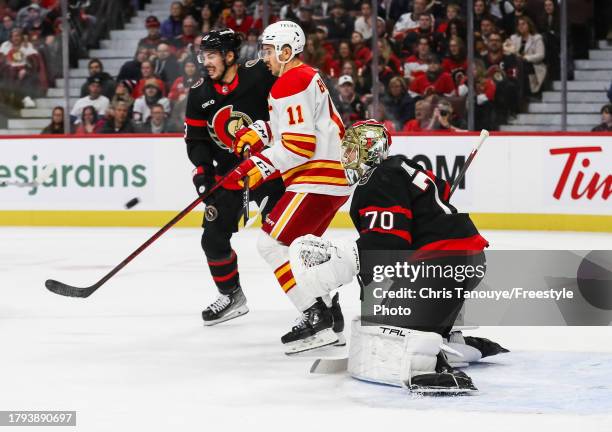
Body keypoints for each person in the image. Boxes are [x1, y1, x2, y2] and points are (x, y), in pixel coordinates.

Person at [287, 120, 502, 393]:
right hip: (462, 259)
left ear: (370, 150)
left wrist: (351, 264)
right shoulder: (400, 168)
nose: (346, 158)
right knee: (389, 318)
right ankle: (450, 340)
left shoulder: (377, 179)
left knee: (393, 333)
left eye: (351, 151)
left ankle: (429, 364)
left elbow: (386, 246)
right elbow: (441, 190)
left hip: (440, 262)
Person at [225, 21, 350, 354]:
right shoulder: (303, 76)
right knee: (300, 250)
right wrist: (262, 132)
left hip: (316, 176)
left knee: (270, 245)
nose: (264, 57)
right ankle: (330, 318)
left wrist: (257, 166)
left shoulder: (290, 81)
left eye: (268, 51)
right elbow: (296, 125)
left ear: (285, 50)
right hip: (330, 177)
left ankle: (315, 315)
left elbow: (300, 144)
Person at [183, 29, 285, 326]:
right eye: (204, 56)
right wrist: (203, 173)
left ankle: (320, 301)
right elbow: (197, 140)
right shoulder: (199, 92)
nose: (205, 62)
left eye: (212, 55)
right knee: (212, 239)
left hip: (272, 169)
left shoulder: (260, 74)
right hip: (229, 175)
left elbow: (288, 108)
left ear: (229, 56)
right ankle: (231, 295)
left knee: (286, 240)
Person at [509, 16, 546, 96]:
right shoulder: (513, 38)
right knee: (512, 66)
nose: (521, 26)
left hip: (532, 65)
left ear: (529, 25)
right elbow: (509, 52)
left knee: (521, 66)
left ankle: (521, 91)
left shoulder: (537, 38)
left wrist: (525, 58)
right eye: (519, 25)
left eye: (523, 24)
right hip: (516, 65)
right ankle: (514, 88)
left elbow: (541, 55)